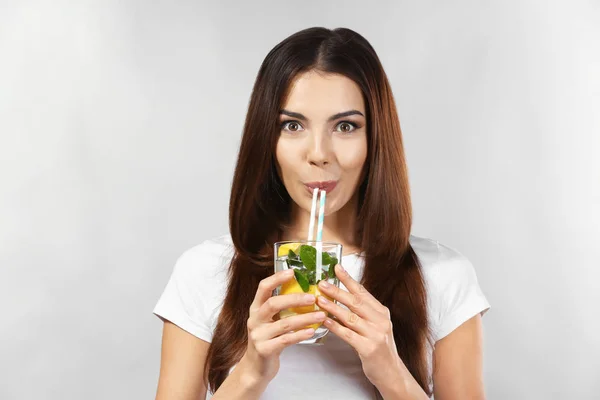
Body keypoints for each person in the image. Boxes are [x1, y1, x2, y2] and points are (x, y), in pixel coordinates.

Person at [153, 27, 490, 400]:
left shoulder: (443, 276)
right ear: (267, 138)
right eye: (292, 125)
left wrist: (391, 373)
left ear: (375, 139)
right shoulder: (204, 272)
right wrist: (250, 372)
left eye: (345, 126)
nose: (319, 153)